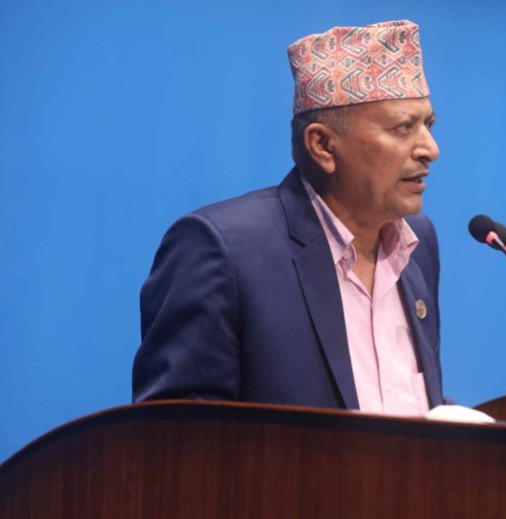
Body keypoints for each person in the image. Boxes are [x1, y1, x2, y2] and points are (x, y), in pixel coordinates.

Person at [132, 20, 447, 416]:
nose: (430, 149)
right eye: (403, 127)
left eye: (428, 125)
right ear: (323, 145)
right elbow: (178, 436)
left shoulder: (418, 242)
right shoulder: (225, 251)